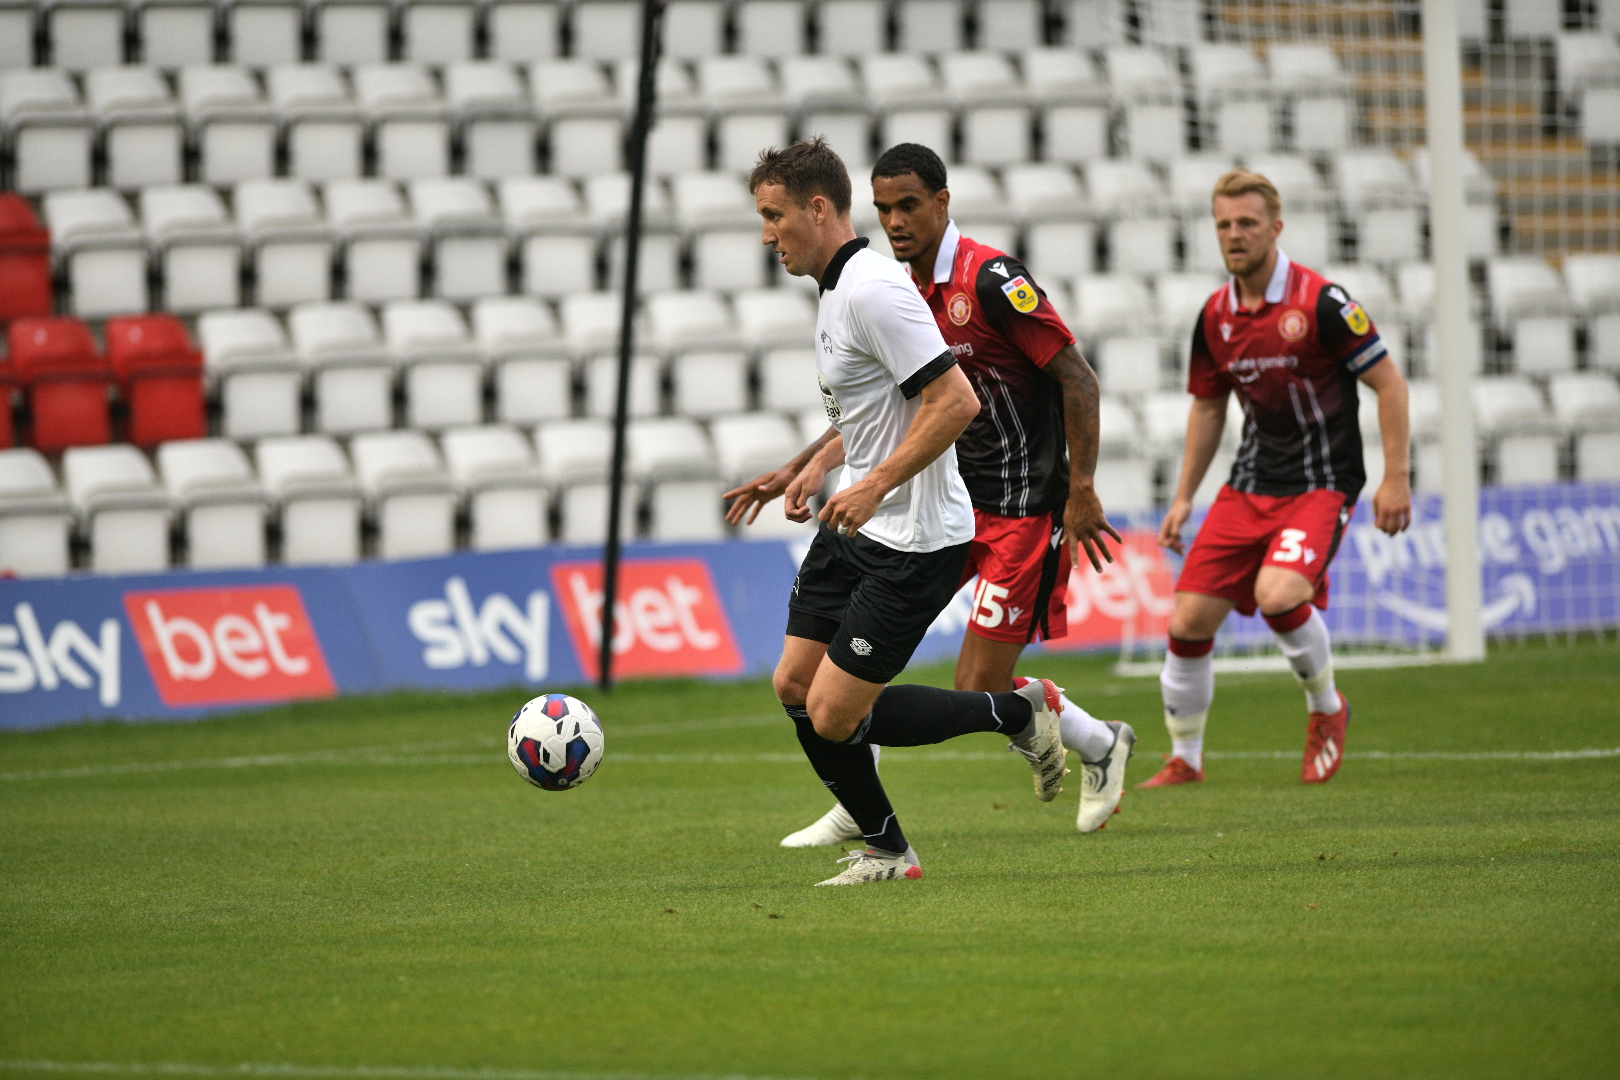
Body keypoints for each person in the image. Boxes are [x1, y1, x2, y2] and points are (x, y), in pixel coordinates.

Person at [730, 142, 1137, 839]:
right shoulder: (887, 285)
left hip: (1019, 505)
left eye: (909, 205)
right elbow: (884, 412)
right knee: (844, 671)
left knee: (977, 685)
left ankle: (1102, 743)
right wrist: (808, 462)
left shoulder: (989, 281)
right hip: (941, 490)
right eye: (884, 207)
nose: (894, 221)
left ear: (943, 203)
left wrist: (1084, 488)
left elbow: (1076, 378)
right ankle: (861, 806)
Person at [1138, 168, 1413, 789]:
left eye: (1247, 224)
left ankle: (1327, 709)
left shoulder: (1322, 302)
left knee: (1278, 596)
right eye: (1224, 225)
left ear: (1276, 228)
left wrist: (1396, 478)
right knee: (1186, 622)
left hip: (1321, 484)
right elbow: (1209, 407)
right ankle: (1186, 758)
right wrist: (1184, 497)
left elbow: (1389, 382)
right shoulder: (1215, 316)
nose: (1234, 236)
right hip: (1250, 485)